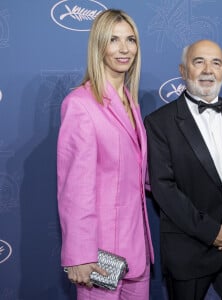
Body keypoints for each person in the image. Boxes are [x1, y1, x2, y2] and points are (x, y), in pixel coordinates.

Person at [144, 39, 222, 300]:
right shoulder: (159, 122)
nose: (208, 69)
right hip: (189, 250)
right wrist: (211, 232)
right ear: (183, 71)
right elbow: (164, 188)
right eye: (199, 62)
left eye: (216, 63)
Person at [57, 9, 154, 300]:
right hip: (98, 259)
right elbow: (74, 188)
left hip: (136, 253)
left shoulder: (131, 103)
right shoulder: (80, 104)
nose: (125, 49)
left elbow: (138, 175)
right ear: (99, 46)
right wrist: (78, 254)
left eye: (131, 39)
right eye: (114, 40)